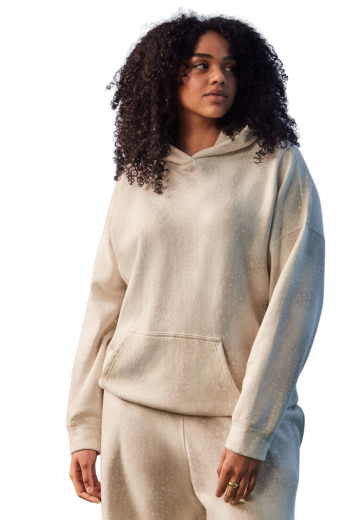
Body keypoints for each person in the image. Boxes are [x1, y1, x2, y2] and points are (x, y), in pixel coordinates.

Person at [66, 8, 325, 519]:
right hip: (135, 415)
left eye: (230, 67)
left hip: (236, 421)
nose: (218, 77)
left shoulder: (278, 166)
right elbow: (105, 303)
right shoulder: (137, 177)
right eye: (200, 65)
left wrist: (252, 432)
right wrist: (84, 425)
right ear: (167, 73)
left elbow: (295, 304)